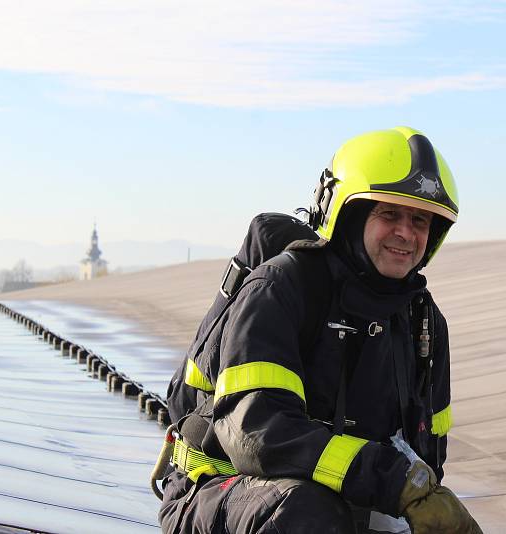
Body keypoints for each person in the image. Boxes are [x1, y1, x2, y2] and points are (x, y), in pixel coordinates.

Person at [159, 127, 483, 534]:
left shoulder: (423, 323)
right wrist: (395, 481)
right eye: (389, 213)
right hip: (223, 494)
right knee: (307, 516)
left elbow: (425, 459)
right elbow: (260, 435)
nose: (406, 232)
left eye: (420, 220)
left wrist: (420, 497)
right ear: (348, 214)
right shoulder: (280, 289)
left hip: (347, 500)